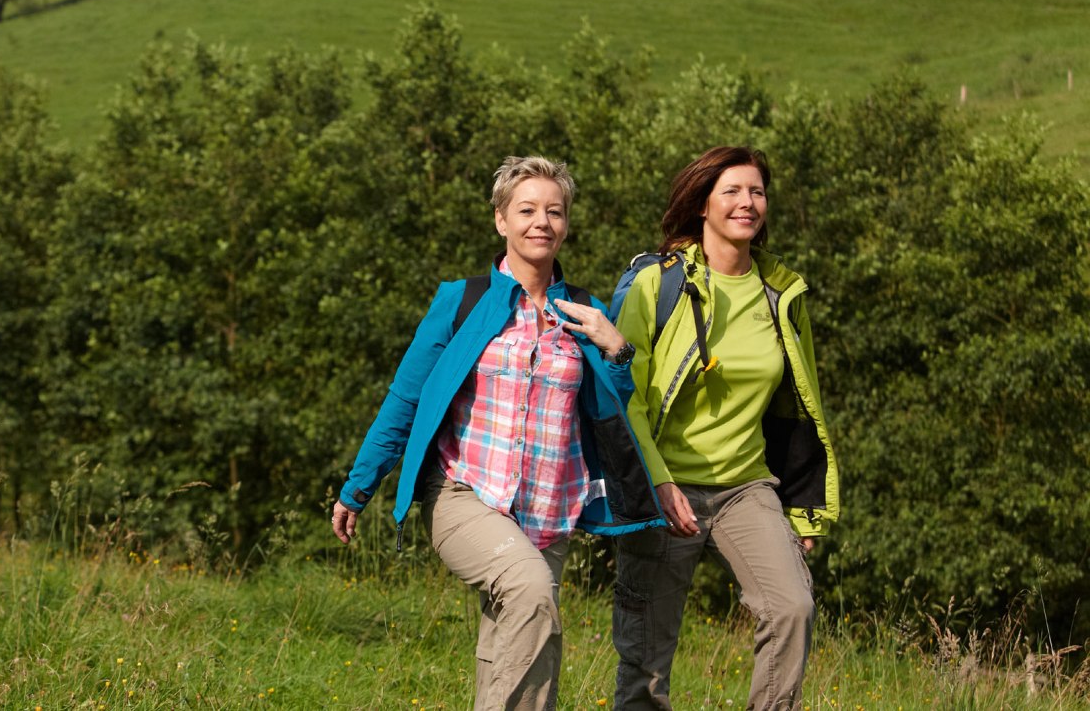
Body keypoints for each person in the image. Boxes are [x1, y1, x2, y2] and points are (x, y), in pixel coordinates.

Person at [332, 156, 664, 711]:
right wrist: (358, 487)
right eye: (527, 209)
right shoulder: (460, 301)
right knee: (531, 596)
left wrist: (617, 349)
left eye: (554, 211)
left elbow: (616, 407)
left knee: (523, 641)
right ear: (500, 220)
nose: (542, 222)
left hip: (550, 507)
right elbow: (406, 400)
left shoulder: (585, 310)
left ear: (567, 224)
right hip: (464, 495)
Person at [610, 146, 840, 710]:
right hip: (664, 487)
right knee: (647, 660)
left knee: (791, 608)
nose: (747, 202)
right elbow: (625, 395)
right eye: (732, 191)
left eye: (756, 191)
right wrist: (658, 483)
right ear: (702, 204)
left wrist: (807, 504)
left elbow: (799, 408)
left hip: (745, 486)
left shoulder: (781, 295)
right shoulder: (656, 286)